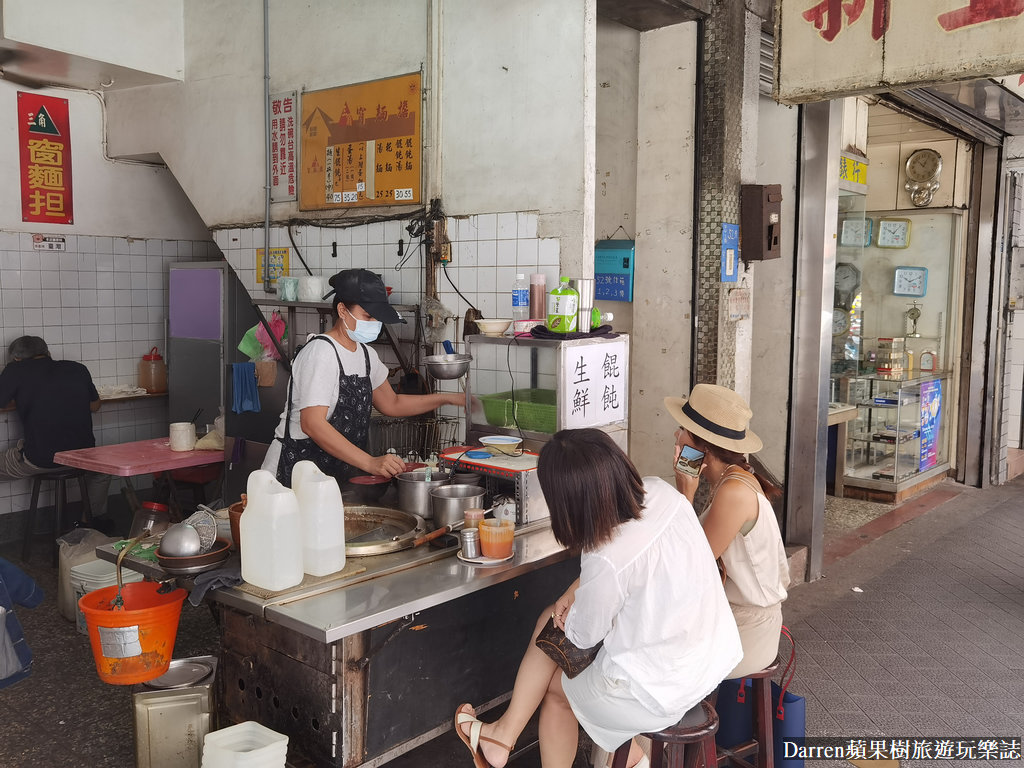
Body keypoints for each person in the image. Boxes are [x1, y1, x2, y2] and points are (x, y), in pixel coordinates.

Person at [455, 428, 741, 768]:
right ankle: (502, 737)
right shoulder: (665, 493)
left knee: (556, 688)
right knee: (552, 618)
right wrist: (573, 592)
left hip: (660, 687)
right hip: (710, 659)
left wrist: (569, 612)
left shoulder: (605, 556)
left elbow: (582, 636)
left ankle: (503, 738)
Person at [263, 268, 464, 486]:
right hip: (293, 470)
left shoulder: (366, 355)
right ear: (342, 310)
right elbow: (312, 424)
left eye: (377, 318)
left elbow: (392, 403)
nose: (374, 323)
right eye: (368, 316)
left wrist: (448, 398)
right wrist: (370, 462)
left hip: (331, 472)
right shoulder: (321, 353)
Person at [664, 384, 790, 679]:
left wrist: (685, 493)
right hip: (733, 618)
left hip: (745, 631)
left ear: (702, 447)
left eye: (682, 428)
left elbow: (693, 566)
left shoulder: (734, 492)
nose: (676, 434)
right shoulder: (733, 479)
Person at [0, 336, 109, 518]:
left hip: (41, 460)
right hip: (82, 458)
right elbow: (95, 406)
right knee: (102, 473)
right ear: (47, 353)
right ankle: (89, 524)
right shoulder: (77, 368)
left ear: (16, 359)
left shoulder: (15, 370)